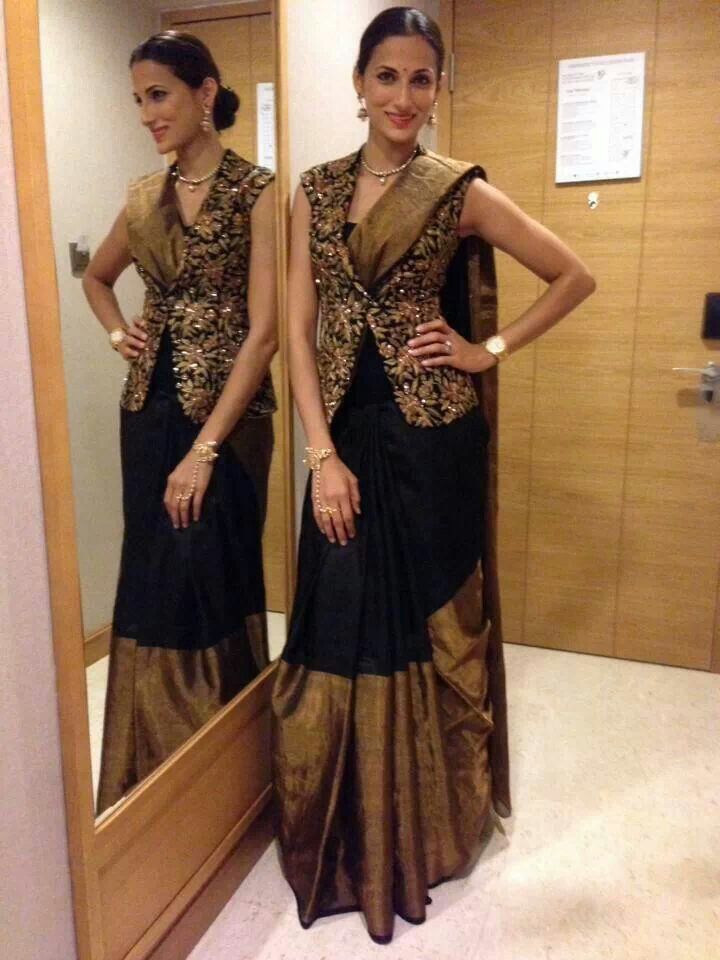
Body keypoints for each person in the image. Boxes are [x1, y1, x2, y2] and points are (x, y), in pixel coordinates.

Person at [271, 6, 595, 944]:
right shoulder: (314, 191)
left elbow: (572, 276)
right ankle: (351, 830)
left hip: (432, 445)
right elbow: (298, 331)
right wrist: (320, 455)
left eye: (421, 78)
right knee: (339, 622)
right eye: (388, 76)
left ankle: (433, 829)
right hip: (345, 443)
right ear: (359, 84)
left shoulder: (459, 191)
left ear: (439, 87)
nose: (403, 96)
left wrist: (489, 348)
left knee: (438, 629)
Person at [82, 31, 278, 815]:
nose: (146, 114)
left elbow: (265, 333)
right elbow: (98, 279)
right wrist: (116, 333)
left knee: (215, 576)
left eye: (158, 95)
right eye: (139, 99)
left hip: (229, 420)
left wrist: (204, 450)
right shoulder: (142, 198)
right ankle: (150, 772)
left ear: (205, 94)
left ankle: (226, 780)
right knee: (154, 579)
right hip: (148, 409)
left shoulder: (258, 191)